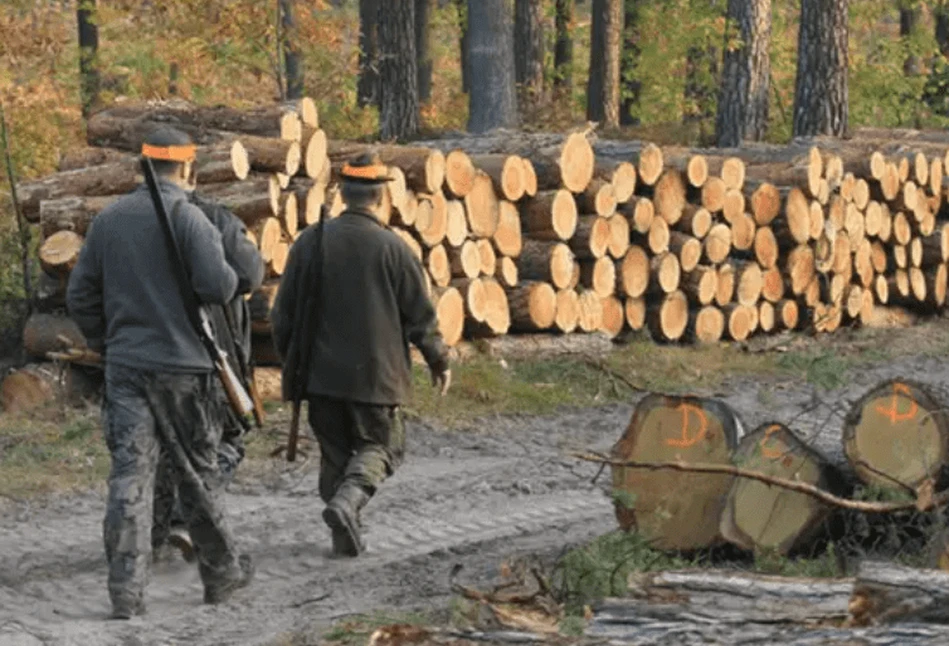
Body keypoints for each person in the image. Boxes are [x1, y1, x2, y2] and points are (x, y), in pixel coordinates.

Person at [66, 126, 254, 619]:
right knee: (198, 476)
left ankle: (126, 593)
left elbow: (80, 295)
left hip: (126, 369)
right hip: (186, 372)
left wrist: (104, 342)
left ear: (140, 167)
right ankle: (222, 576)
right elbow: (218, 287)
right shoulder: (190, 219)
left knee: (129, 476)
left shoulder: (108, 221)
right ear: (187, 167)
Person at [271, 152, 452, 558]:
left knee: (334, 454)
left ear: (343, 194)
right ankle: (348, 504)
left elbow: (282, 315)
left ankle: (343, 531)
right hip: (377, 379)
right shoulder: (394, 248)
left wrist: (293, 363)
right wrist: (438, 360)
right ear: (379, 198)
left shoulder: (309, 243)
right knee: (383, 448)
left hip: (318, 377)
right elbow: (419, 316)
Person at [151, 174, 265, 563]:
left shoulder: (123, 219)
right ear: (191, 174)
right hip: (208, 356)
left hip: (143, 358)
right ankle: (186, 525)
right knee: (225, 443)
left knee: (161, 446)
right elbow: (250, 274)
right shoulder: (215, 217)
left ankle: (158, 529)